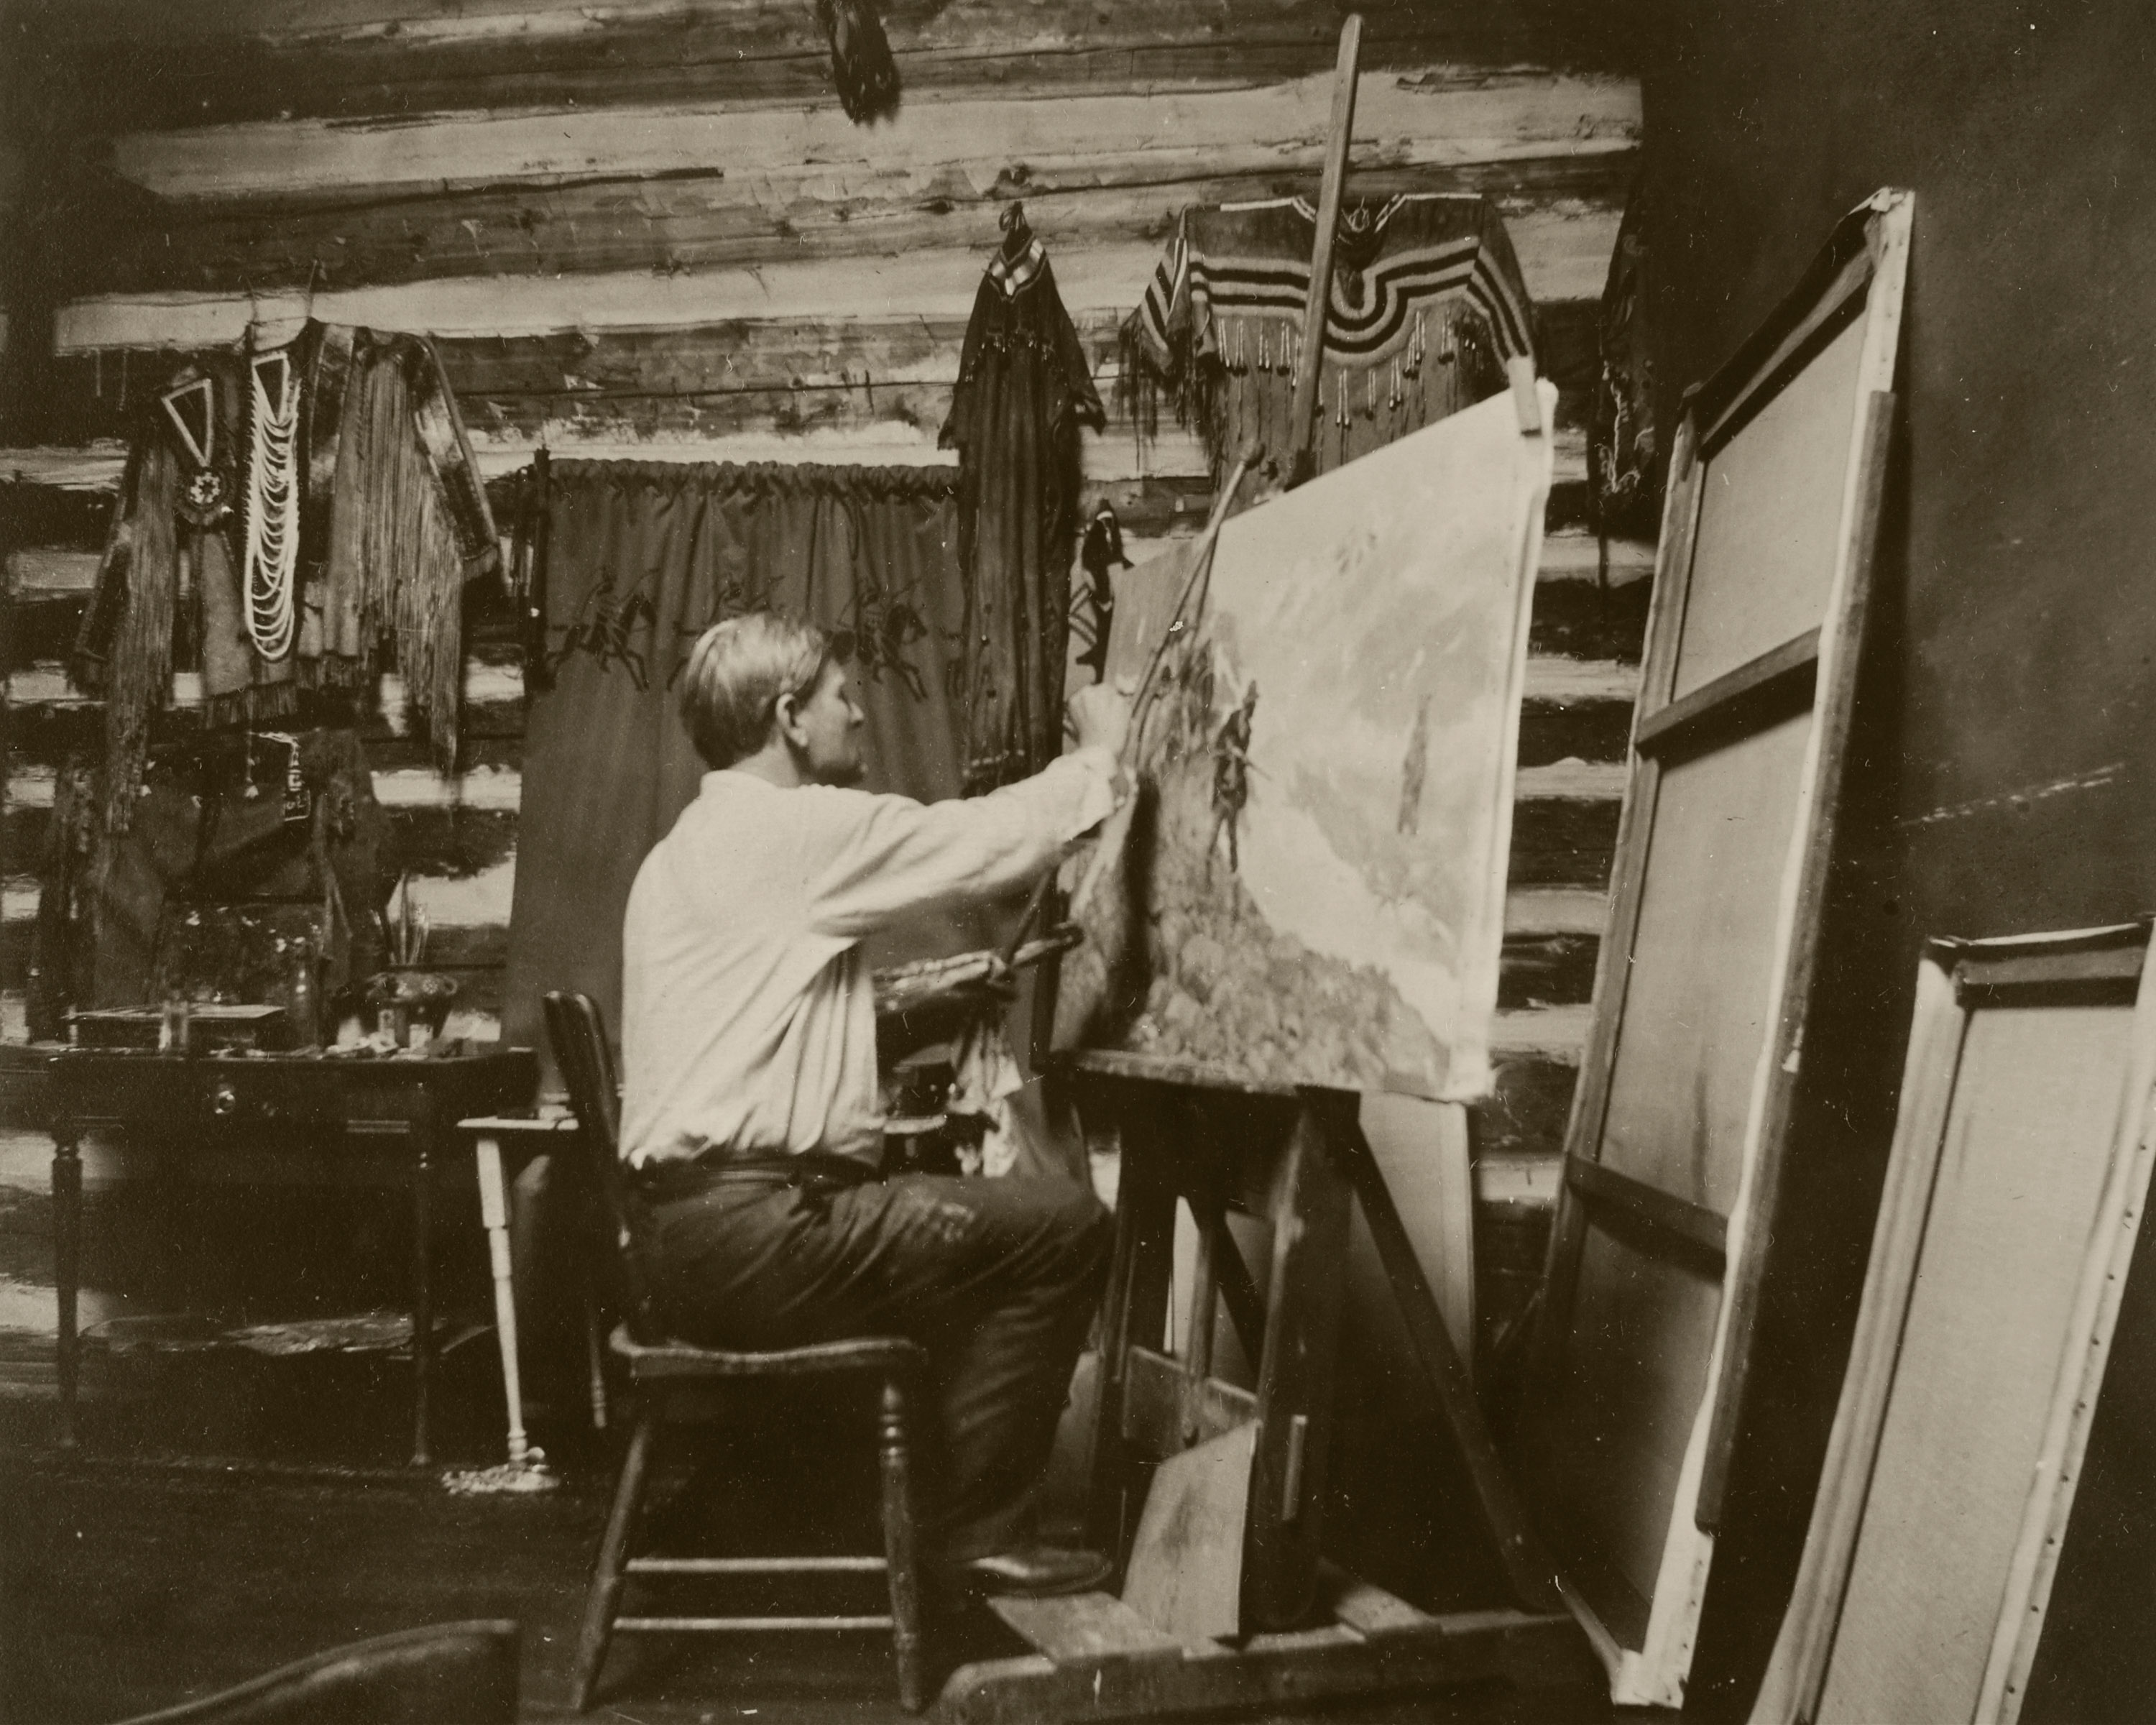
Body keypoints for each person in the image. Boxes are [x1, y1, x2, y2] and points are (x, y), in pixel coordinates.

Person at [619, 610, 1130, 1599]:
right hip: (757, 1241)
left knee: (967, 1219)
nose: (859, 712)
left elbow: (749, 1039)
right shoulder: (793, 830)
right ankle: (970, 1529)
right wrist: (1100, 758)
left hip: (686, 1245)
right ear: (788, 718)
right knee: (1065, 1227)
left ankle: (851, 1499)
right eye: (842, 696)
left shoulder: (686, 847)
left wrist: (922, 1008)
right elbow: (984, 844)